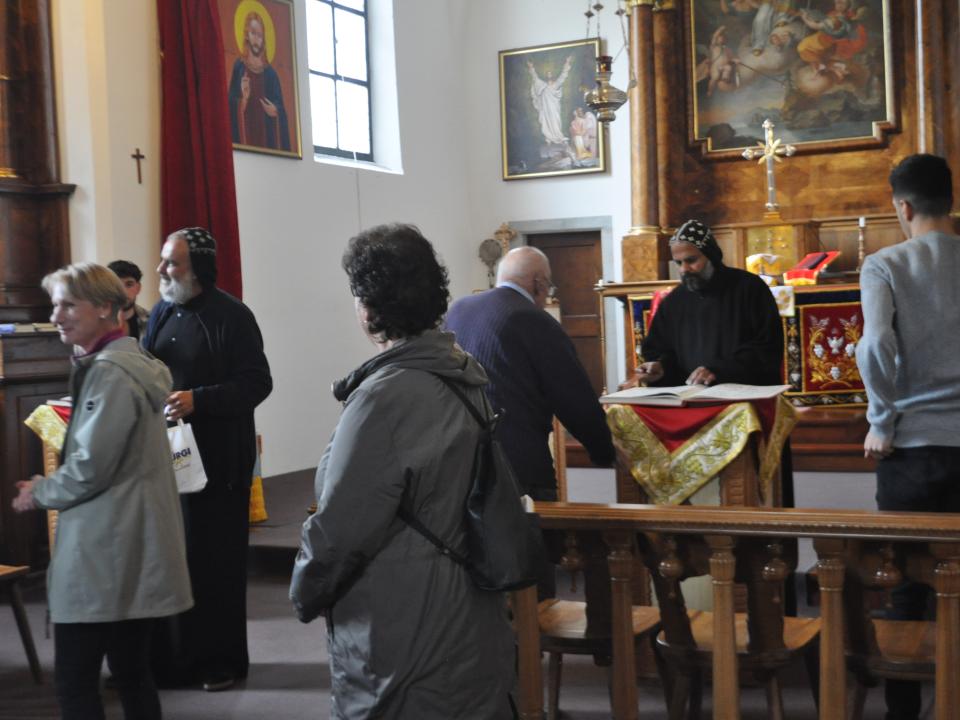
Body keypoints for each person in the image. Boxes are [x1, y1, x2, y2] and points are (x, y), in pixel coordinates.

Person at [290, 224, 514, 719]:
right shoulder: (461, 374)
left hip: (402, 621)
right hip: (466, 604)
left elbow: (341, 526)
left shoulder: (379, 400)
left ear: (369, 307)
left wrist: (306, 589)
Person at [11, 262, 192, 720]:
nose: (57, 316)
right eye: (55, 304)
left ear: (108, 309)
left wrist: (41, 490)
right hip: (128, 547)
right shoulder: (132, 363)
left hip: (104, 555)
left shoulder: (110, 373)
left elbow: (92, 466)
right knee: (132, 675)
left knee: (76, 684)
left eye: (69, 304)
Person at [142, 227, 272, 691]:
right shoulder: (160, 312)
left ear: (198, 268)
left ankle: (218, 662)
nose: (161, 270)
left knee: (213, 564)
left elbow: (257, 383)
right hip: (168, 459)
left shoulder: (232, 316)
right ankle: (167, 663)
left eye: (172, 263)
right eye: (163, 261)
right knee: (170, 561)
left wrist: (199, 399)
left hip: (218, 464)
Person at [856, 153, 960, 720]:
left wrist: (880, 420)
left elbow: (875, 346)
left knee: (906, 587)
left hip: (912, 450)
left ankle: (903, 712)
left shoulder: (885, 263)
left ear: (903, 207)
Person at [444, 246, 614, 501]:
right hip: (518, 466)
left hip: (458, 465)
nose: (547, 297)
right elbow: (572, 397)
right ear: (538, 283)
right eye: (548, 288)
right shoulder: (535, 320)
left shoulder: (457, 310)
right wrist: (603, 451)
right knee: (532, 538)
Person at [638, 219, 784, 388]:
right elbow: (661, 350)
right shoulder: (674, 301)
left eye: (691, 260)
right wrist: (660, 366)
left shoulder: (749, 288)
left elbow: (767, 347)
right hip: (689, 396)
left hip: (742, 393)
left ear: (711, 256)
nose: (684, 269)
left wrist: (719, 371)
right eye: (678, 263)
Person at [228, 10, 290, 151]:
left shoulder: (271, 75)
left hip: (268, 145)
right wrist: (243, 100)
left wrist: (275, 111)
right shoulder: (239, 68)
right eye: (253, 33)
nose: (257, 39)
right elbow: (229, 106)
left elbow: (281, 111)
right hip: (244, 144)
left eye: (260, 35)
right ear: (247, 35)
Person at [527, 54, 573, 145]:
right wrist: (531, 68)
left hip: (554, 107)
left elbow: (563, 76)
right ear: (546, 76)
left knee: (556, 120)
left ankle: (558, 136)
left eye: (550, 73)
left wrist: (567, 63)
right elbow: (535, 78)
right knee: (546, 122)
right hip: (545, 109)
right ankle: (549, 137)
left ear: (552, 75)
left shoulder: (556, 84)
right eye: (547, 74)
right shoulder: (542, 85)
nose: (549, 75)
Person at [107, 260, 150, 339]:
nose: (123, 292)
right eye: (117, 285)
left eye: (129, 284)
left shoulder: (151, 320)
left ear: (138, 288)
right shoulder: (96, 322)